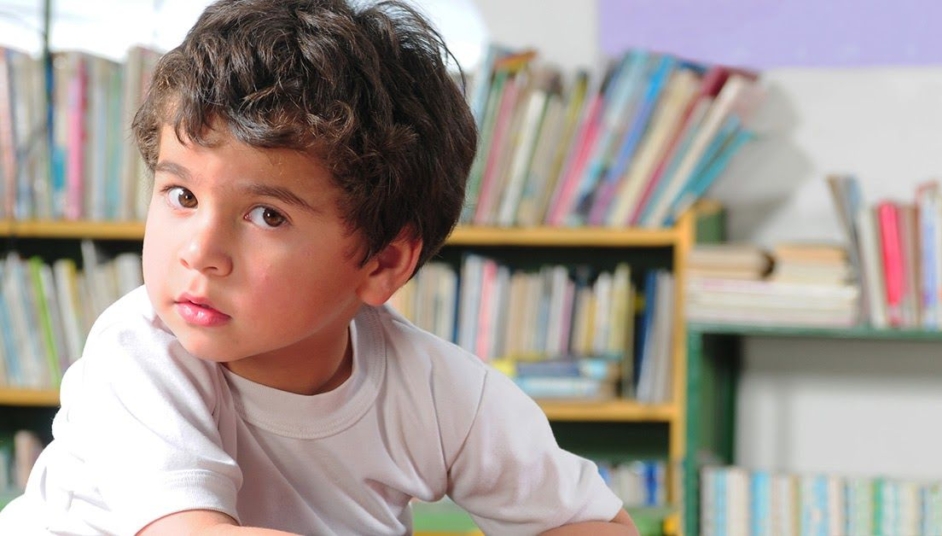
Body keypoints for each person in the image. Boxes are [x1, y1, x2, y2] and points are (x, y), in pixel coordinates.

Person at [0, 0, 639, 534]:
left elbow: (593, 523)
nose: (199, 250)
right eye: (182, 196)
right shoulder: (138, 353)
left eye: (267, 216)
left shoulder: (439, 394)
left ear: (383, 262)